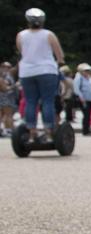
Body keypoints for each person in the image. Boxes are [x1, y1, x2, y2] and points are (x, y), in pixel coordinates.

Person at [15, 8, 64, 143]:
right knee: (47, 101)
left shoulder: (21, 35)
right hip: (46, 70)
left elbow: (21, 51)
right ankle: (48, 132)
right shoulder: (49, 34)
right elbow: (59, 54)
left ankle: (32, 132)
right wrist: (59, 62)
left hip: (27, 72)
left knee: (31, 101)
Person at [73, 63, 91, 136]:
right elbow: (76, 89)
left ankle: (87, 129)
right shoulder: (79, 77)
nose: (88, 72)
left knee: (88, 115)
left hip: (89, 99)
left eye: (88, 70)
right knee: (86, 115)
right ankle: (85, 131)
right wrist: (81, 97)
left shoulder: (89, 78)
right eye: (86, 70)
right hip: (83, 99)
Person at [0, 61, 17, 137]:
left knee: (3, 115)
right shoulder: (3, 76)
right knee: (9, 115)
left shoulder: (8, 75)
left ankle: (6, 130)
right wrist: (15, 86)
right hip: (6, 98)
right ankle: (10, 131)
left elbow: (16, 68)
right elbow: (4, 88)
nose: (6, 68)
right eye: (4, 66)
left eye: (8, 67)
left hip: (5, 98)